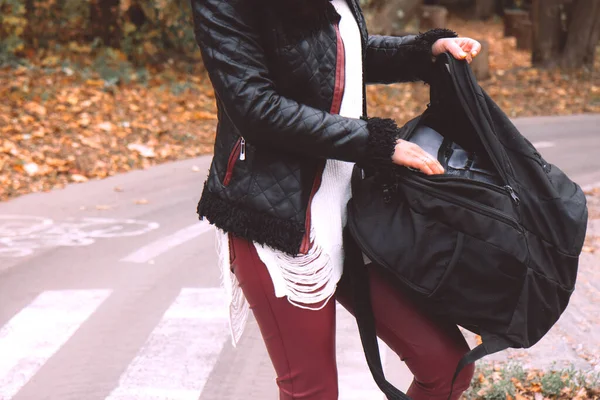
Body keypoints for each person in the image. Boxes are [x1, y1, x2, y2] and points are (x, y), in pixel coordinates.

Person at [191, 0, 482, 398]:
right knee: (312, 391)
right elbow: (255, 108)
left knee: (446, 365)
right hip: (277, 220)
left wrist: (424, 51)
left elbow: (345, 53)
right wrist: (374, 142)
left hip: (352, 214)